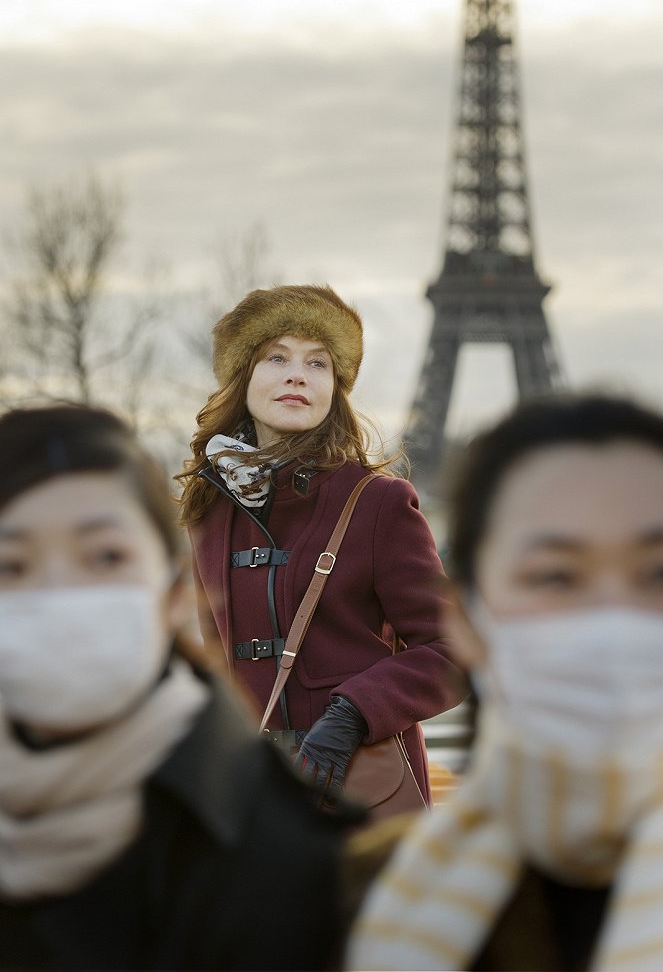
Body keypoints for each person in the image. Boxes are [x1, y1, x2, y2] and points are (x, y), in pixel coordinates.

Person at [0, 402, 364, 972]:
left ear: (173, 594)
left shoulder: (296, 861)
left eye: (105, 557)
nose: (60, 596)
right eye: (10, 566)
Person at [347, 391, 663, 972]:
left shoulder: (369, 911)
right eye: (555, 576)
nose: (611, 616)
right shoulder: (326, 910)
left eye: (659, 573)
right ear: (466, 620)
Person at [177, 284, 462, 808]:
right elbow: (214, 666)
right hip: (254, 798)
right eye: (275, 357)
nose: (296, 374)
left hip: (362, 793)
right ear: (244, 379)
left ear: (334, 387)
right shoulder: (209, 511)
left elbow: (456, 650)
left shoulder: (378, 503)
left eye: (318, 363)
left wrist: (354, 712)